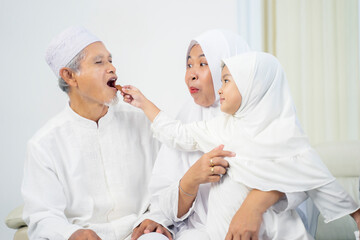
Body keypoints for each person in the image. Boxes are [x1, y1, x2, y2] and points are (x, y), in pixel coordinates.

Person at [121, 52, 360, 239]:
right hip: (220, 233)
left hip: (277, 233)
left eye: (226, 81)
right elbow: (179, 134)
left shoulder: (287, 137)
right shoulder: (222, 127)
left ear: (251, 87)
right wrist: (144, 103)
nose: (220, 89)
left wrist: (356, 215)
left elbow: (321, 181)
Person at [147, 29, 309, 240]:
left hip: (263, 226)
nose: (191, 74)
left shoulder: (264, 112)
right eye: (189, 65)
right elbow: (162, 200)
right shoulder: (187, 117)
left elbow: (300, 174)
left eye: (203, 64)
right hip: (198, 230)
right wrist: (192, 179)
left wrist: (253, 206)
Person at [21, 26, 172, 240]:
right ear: (70, 76)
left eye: (111, 60)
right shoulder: (44, 144)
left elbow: (166, 185)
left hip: (139, 233)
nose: (112, 69)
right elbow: (43, 215)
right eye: (99, 62)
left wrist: (157, 217)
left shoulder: (142, 123)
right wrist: (72, 233)